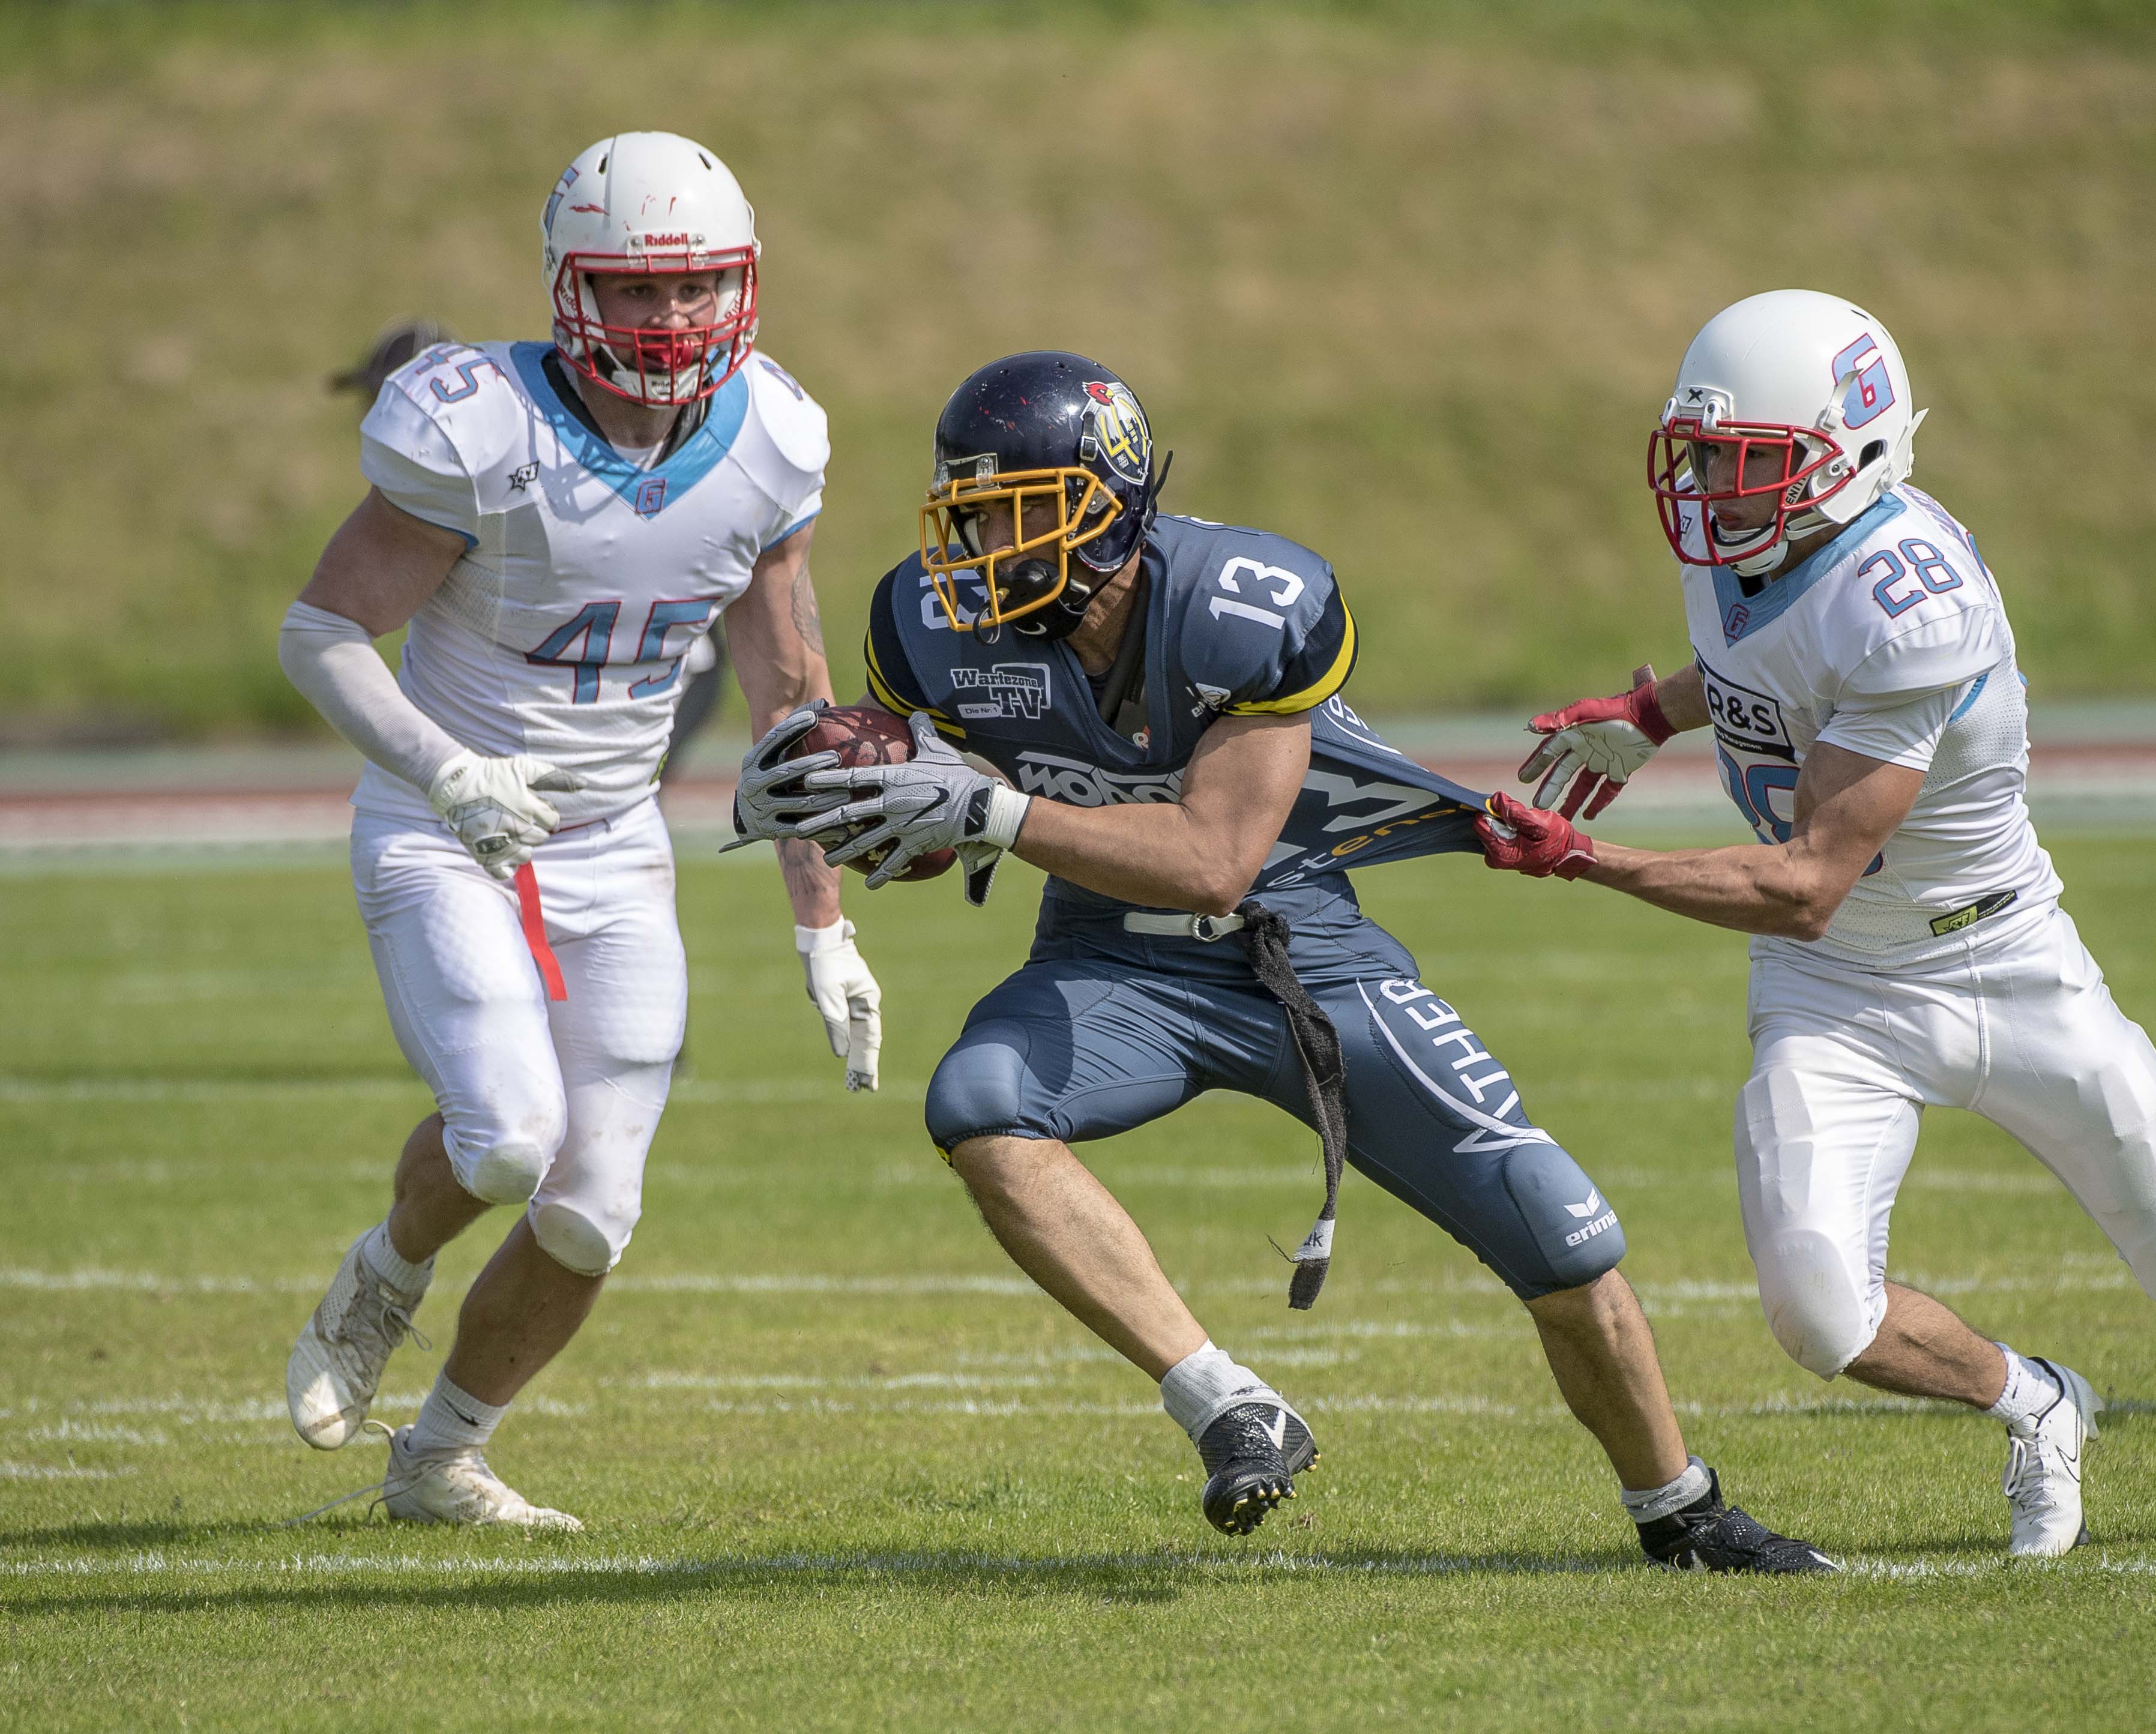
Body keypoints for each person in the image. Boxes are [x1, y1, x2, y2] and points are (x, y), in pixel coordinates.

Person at [733, 351, 1832, 1572]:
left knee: (1558, 1236)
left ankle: (1678, 1508)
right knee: (979, 1104)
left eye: (1014, 514)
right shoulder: (921, 619)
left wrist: (985, 813)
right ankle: (1225, 1402)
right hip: (1108, 958)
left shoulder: (1245, 600)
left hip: (1298, 947)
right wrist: (853, 797)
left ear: (1106, 507)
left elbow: (1214, 860)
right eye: (966, 514)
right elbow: (946, 815)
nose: (978, 547)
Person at [1477, 289, 2156, 1555]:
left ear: (1858, 450)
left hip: (2001, 956)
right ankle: (2036, 1398)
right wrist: (1651, 712)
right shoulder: (1749, 550)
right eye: (1707, 455)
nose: (1714, 489)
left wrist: (1588, 860)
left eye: (1748, 460)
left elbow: (1808, 879)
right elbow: (1758, 668)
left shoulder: (1911, 601)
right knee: (1820, 1311)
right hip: (1838, 994)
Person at [277, 131, 881, 1528]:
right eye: (633, 290)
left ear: (743, 286)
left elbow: (793, 697)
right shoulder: (479, 420)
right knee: (502, 1138)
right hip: (453, 832)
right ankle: (383, 1271)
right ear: (569, 289)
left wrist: (823, 923)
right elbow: (322, 632)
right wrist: (444, 769)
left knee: (594, 1204)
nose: (668, 320)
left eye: (696, 290)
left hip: (613, 842)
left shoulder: (773, 440)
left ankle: (440, 1456)